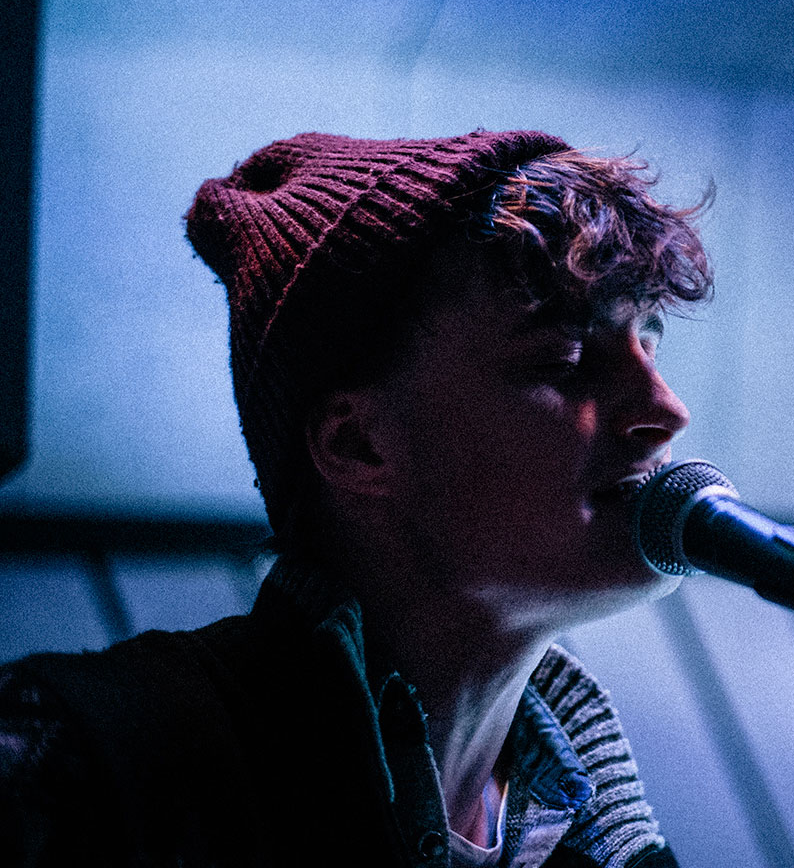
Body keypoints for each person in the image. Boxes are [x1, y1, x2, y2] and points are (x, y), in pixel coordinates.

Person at [0, 130, 711, 868]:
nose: (666, 408)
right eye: (563, 358)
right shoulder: (83, 758)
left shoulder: (604, 845)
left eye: (649, 346)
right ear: (357, 445)